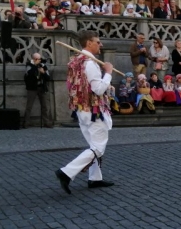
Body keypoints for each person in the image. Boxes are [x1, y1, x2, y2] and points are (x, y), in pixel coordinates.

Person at [55, 31, 115, 194]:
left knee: (93, 145)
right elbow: (98, 88)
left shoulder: (77, 60)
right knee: (98, 148)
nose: (100, 44)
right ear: (88, 43)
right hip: (94, 110)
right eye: (98, 42)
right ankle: (67, 172)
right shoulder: (89, 63)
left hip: (82, 110)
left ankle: (95, 178)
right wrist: (108, 73)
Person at [23, 52, 53, 128]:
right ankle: (26, 122)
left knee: (44, 106)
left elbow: (48, 78)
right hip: (32, 88)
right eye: (36, 59)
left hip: (41, 87)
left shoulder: (43, 65)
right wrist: (35, 66)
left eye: (39, 59)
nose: (38, 60)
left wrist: (43, 72)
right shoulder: (29, 65)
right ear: (33, 59)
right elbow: (28, 75)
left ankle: (46, 122)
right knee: (29, 106)